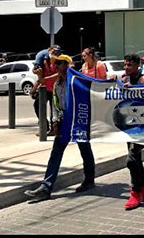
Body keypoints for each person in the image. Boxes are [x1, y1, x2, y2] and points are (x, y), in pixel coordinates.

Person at [24, 54, 96, 202]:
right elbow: (56, 105)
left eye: (59, 63)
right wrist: (55, 121)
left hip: (77, 121)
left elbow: (95, 88)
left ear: (67, 65)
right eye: (55, 64)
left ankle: (89, 180)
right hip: (64, 122)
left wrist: (111, 82)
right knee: (56, 152)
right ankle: (46, 187)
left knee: (85, 149)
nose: (56, 66)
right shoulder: (57, 84)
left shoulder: (78, 81)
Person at [121, 54, 144, 210]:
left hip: (141, 126)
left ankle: (135, 192)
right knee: (136, 159)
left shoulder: (143, 80)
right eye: (125, 65)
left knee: (131, 159)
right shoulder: (125, 79)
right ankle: (143, 187)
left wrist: (132, 90)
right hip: (129, 125)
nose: (126, 68)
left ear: (137, 66)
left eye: (130, 65)